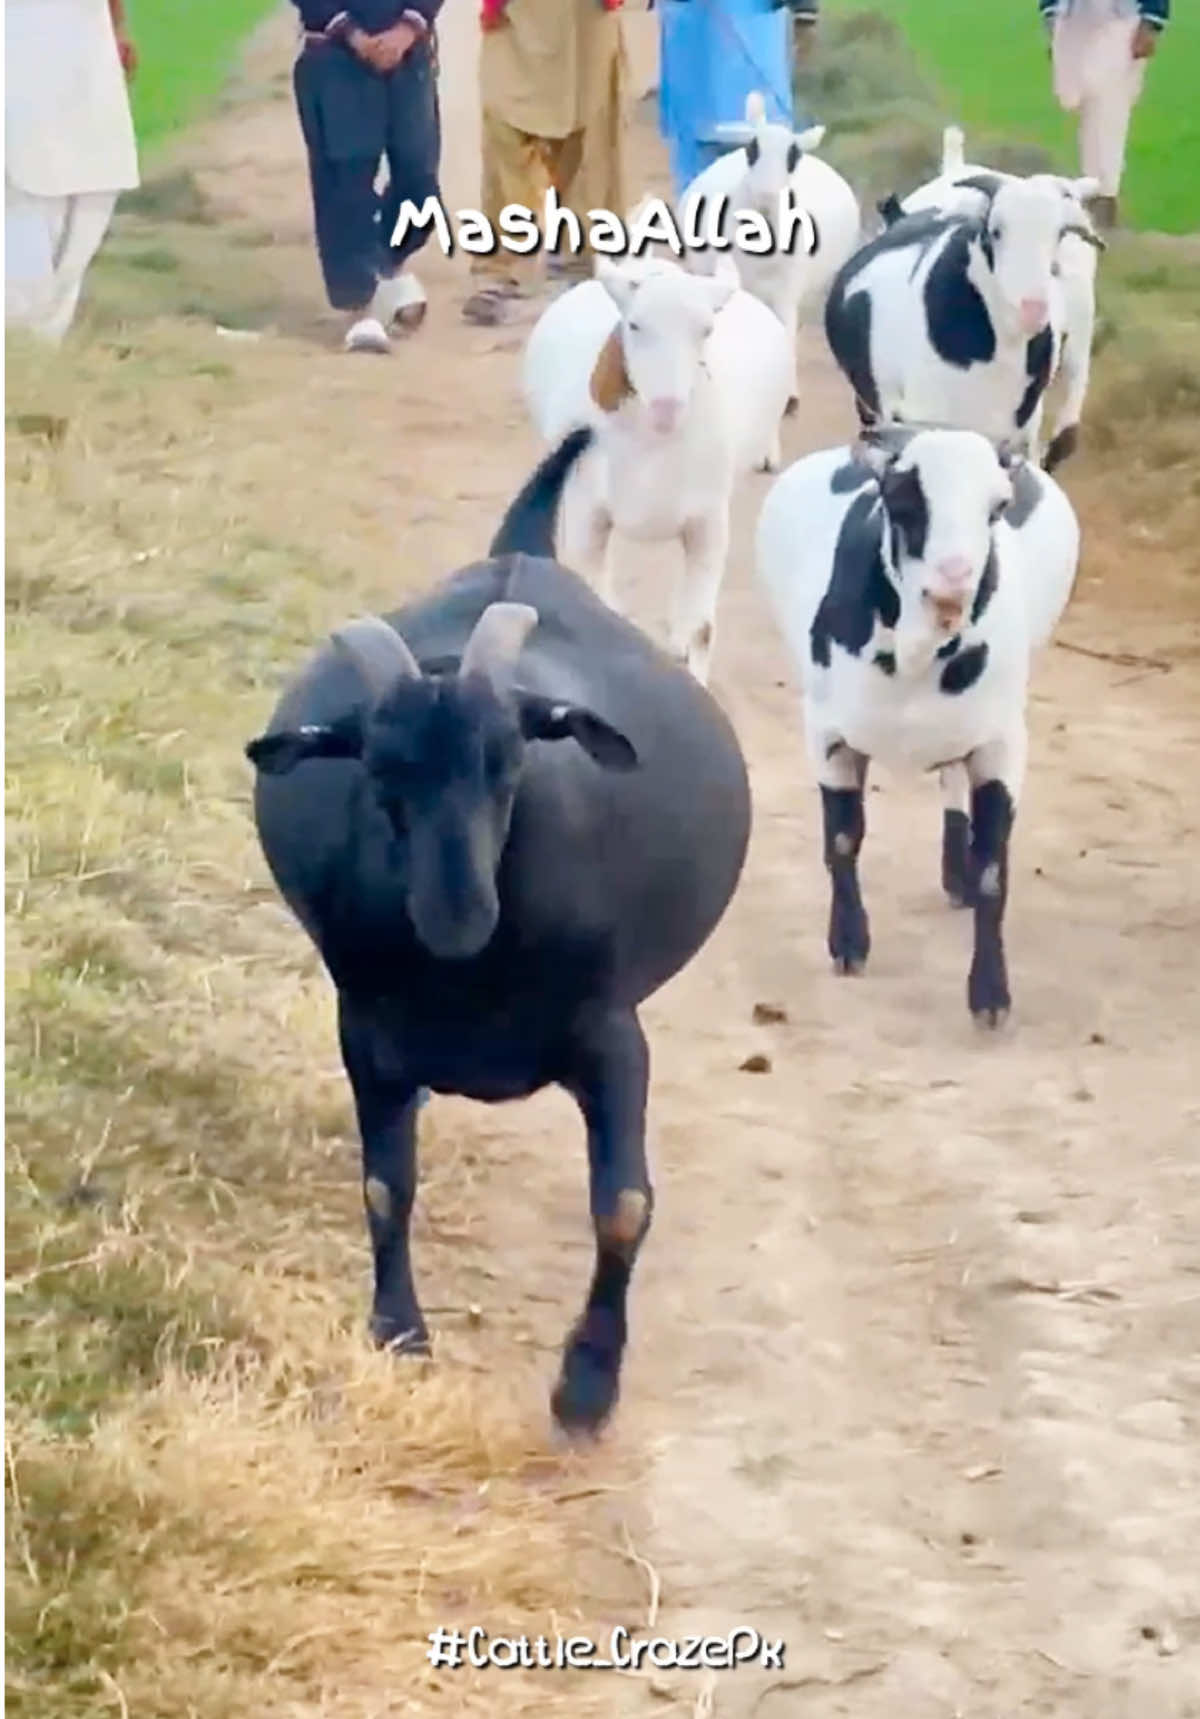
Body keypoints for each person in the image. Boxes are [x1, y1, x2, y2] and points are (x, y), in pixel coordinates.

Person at [462, 0, 628, 327]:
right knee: (504, 133)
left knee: (589, 145)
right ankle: (499, 269)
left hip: (586, 23)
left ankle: (577, 263)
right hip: (518, 22)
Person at [290, 3, 443, 353]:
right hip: (332, 54)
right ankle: (360, 307)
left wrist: (407, 28)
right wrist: (353, 34)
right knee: (345, 183)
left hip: (409, 52)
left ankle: (382, 267)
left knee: (420, 182)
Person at [5, 0, 139, 343]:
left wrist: (116, 29)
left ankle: (40, 352)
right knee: (28, 196)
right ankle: (23, 349)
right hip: (20, 52)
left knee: (89, 204)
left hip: (87, 57)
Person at [1040, 0, 1169, 229]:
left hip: (1120, 18)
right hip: (1073, 18)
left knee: (1108, 106)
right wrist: (1052, 21)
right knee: (1072, 96)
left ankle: (1103, 196)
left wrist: (1151, 22)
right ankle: (1093, 187)